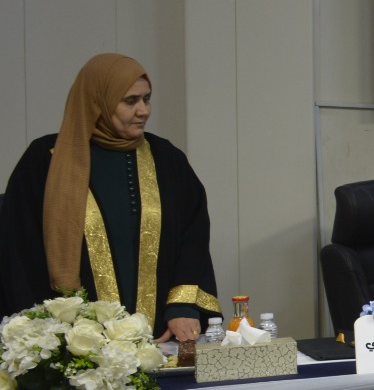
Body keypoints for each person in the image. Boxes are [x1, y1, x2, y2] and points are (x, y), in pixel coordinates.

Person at [0, 54, 218, 340]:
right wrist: (45, 333)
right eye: (130, 101)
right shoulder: (46, 161)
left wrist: (182, 306)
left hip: (160, 337)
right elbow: (18, 251)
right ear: (97, 101)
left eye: (146, 99)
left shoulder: (166, 159)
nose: (143, 111)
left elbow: (193, 236)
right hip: (73, 342)